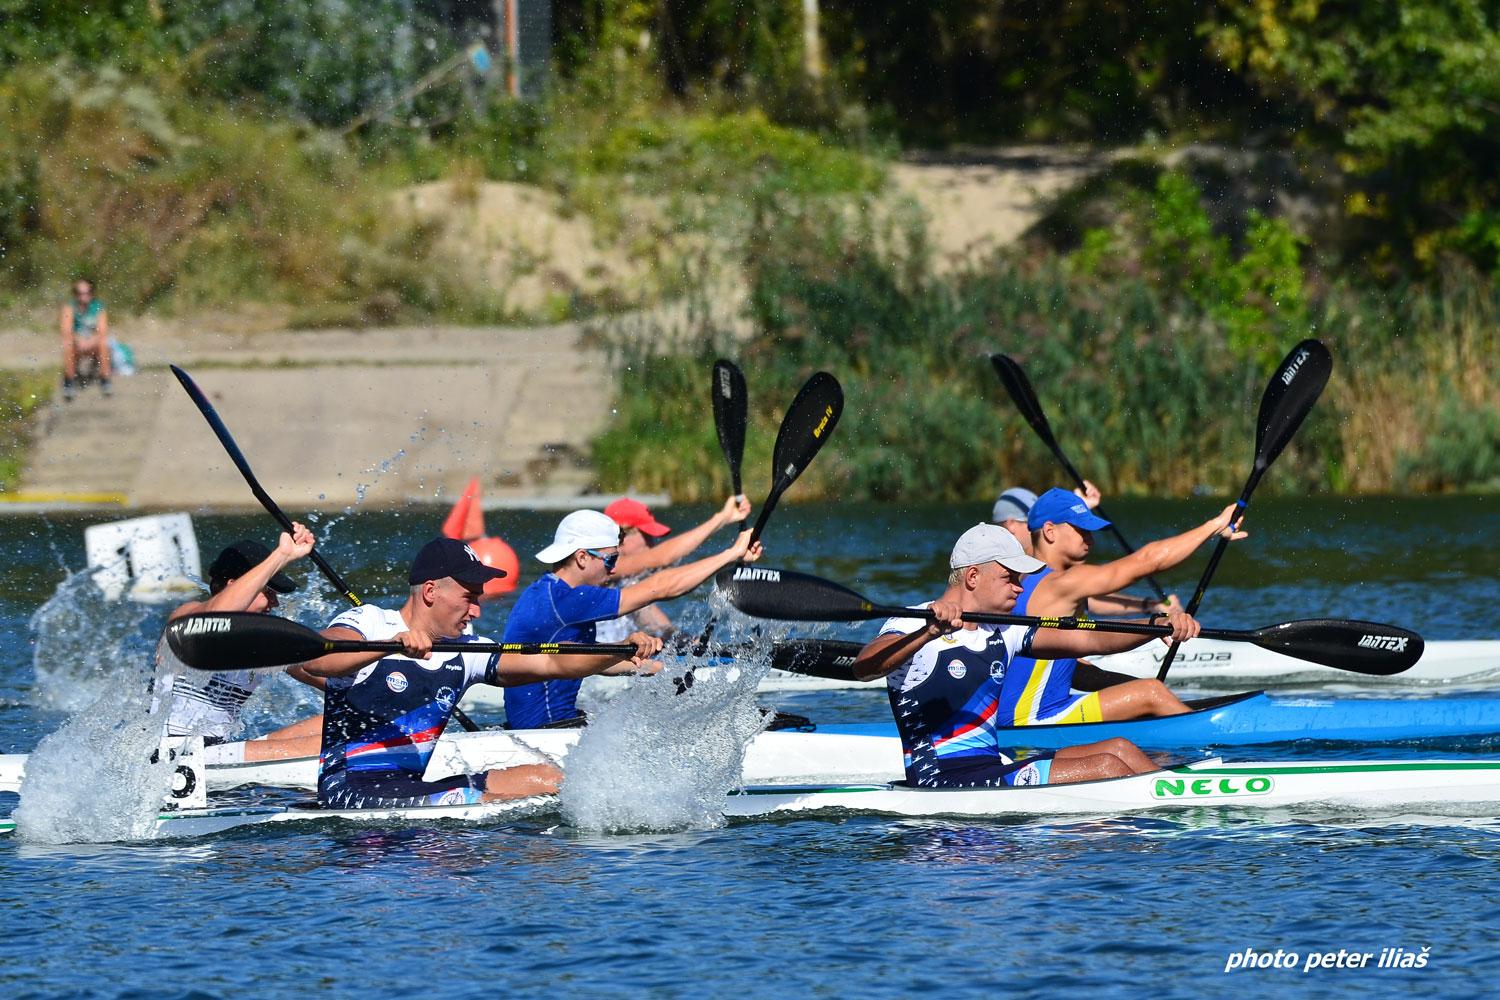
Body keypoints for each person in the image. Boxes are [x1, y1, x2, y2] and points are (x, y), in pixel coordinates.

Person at [297, 538, 663, 808]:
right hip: (350, 791)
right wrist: (391, 645)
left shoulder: (465, 649)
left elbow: (552, 663)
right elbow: (315, 657)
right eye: (469, 597)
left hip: (409, 785)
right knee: (490, 804)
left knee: (555, 779)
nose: (476, 611)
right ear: (429, 592)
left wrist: (620, 652)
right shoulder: (371, 622)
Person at [851, 523, 1202, 789]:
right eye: (1010, 578)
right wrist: (928, 631)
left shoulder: (1005, 630)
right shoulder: (913, 620)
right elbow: (864, 667)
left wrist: (1156, 625)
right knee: (1106, 769)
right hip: (942, 780)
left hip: (991, 766)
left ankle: (1187, 798)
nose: (1020, 589)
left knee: (1120, 749)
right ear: (973, 576)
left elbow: (1089, 639)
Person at [1000, 488, 1248, 725]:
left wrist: (1133, 687)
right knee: (1150, 693)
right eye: (1082, 530)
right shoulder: (1058, 583)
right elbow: (1147, 561)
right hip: (1030, 720)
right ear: (1050, 531)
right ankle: (1220, 748)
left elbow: (1073, 671)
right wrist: (1214, 526)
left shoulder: (1022, 580)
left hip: (1027, 713)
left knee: (1150, 691)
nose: (1091, 540)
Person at [502, 509, 763, 729]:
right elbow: (660, 588)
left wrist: (662, 671)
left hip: (553, 723)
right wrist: (731, 555)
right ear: (582, 557)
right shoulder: (568, 599)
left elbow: (583, 659)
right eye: (610, 559)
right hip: (546, 731)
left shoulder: (545, 591)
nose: (614, 568)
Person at [156, 526, 326, 763]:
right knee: (330, 745)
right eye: (269, 591)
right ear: (233, 584)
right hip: (169, 757)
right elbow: (216, 616)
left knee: (347, 719)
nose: (275, 603)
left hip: (213, 755)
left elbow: (328, 679)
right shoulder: (185, 617)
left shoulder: (262, 641)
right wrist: (282, 555)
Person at [593, 495, 752, 642]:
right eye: (647, 536)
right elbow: (664, 557)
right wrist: (721, 519)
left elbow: (662, 630)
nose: (652, 544)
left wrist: (698, 644)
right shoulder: (601, 566)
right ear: (622, 537)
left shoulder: (627, 586)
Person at [60, 279, 112, 401]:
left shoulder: (98, 307)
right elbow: (66, 330)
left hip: (93, 343)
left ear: (92, 293)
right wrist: (78, 339)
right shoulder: (70, 307)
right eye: (79, 293)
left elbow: (103, 330)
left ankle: (105, 379)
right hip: (76, 343)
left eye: (86, 293)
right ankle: (69, 381)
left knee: (104, 343)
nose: (83, 296)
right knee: (67, 344)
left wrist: (91, 341)